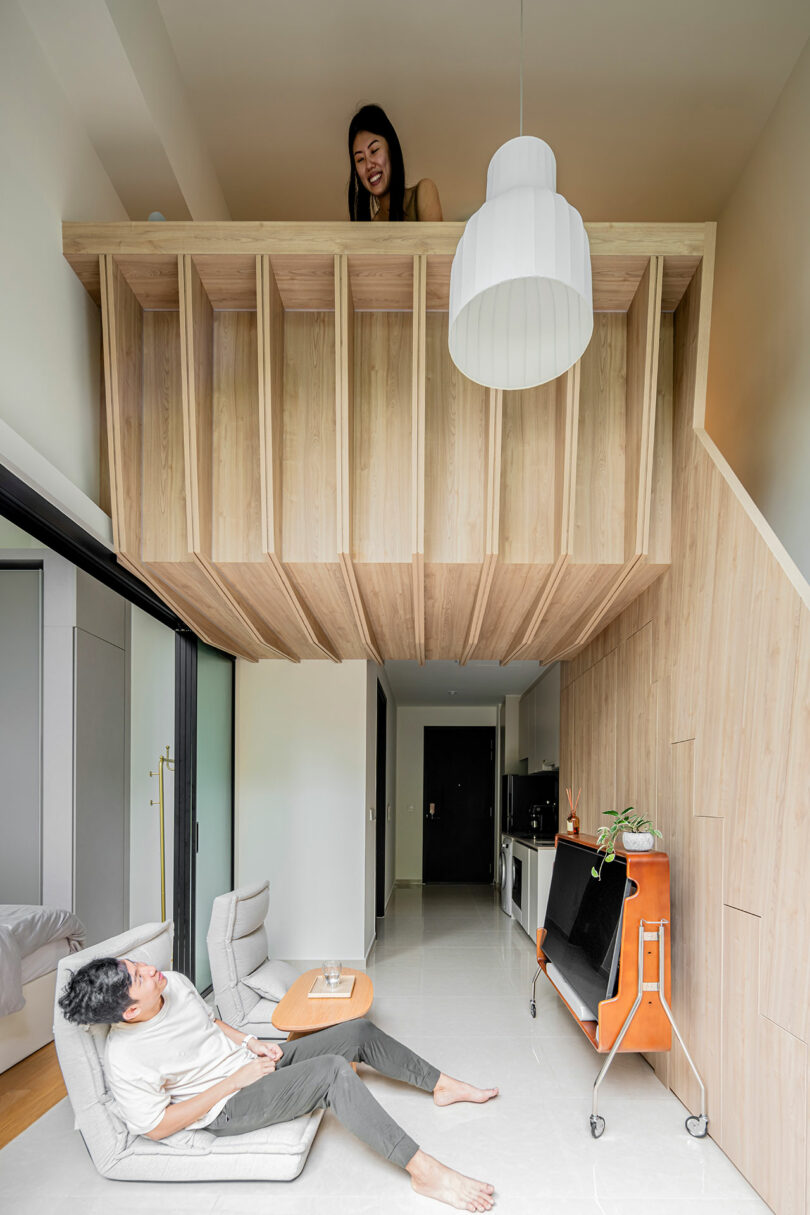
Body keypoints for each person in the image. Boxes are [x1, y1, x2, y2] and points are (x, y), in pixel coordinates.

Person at [59, 957, 497, 1212]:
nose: (152, 970)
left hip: (248, 1063)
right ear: (130, 1012)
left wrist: (251, 1043)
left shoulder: (171, 984)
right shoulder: (127, 1057)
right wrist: (236, 1079)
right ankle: (424, 1172)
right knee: (331, 1070)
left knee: (356, 1030)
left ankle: (442, 1084)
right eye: (139, 977)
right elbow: (156, 1127)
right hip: (225, 1106)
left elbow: (208, 1021)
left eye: (138, 965)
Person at [348, 104, 442, 222]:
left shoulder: (423, 192)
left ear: (391, 149)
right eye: (360, 159)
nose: (368, 165)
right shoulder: (370, 226)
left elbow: (433, 240)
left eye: (374, 150)